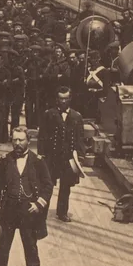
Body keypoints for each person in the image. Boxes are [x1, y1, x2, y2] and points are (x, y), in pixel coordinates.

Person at [0, 127, 53, 266]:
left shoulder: (38, 161)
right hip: (8, 211)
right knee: (3, 247)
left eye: (21, 140)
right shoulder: (5, 160)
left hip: (28, 212)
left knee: (31, 247)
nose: (17, 144)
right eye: (15, 140)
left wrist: (38, 204)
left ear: (28, 141)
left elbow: (48, 185)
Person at [38, 86, 87, 222]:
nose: (63, 102)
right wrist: (40, 155)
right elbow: (42, 136)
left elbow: (80, 139)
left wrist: (81, 158)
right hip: (51, 157)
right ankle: (42, 211)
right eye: (60, 99)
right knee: (47, 186)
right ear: (56, 99)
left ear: (70, 99)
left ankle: (62, 212)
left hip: (68, 159)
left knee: (66, 187)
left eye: (66, 99)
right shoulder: (49, 114)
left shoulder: (77, 117)